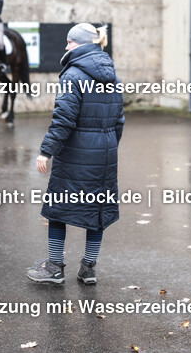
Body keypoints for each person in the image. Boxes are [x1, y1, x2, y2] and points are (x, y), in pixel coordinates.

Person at [28, 24, 124, 285]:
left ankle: (55, 268)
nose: (65, 47)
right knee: (97, 211)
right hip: (105, 154)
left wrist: (46, 151)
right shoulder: (112, 75)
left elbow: (64, 120)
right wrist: (107, 147)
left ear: (79, 44)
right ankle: (89, 269)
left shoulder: (72, 75)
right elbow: (119, 121)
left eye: (69, 42)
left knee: (58, 210)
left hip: (75, 154)